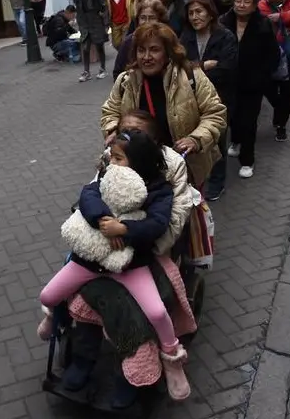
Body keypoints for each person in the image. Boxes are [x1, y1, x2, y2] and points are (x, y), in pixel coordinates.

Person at [38, 129, 190, 401]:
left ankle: (172, 358)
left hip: (131, 265)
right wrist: (104, 221)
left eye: (119, 159)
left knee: (156, 312)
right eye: (113, 158)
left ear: (138, 161)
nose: (112, 163)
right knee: (48, 295)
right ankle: (55, 319)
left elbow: (157, 224)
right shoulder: (108, 175)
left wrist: (125, 229)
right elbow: (87, 195)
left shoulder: (159, 189)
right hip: (92, 261)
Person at [101, 22, 227, 188]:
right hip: (137, 168)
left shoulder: (192, 77)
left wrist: (195, 139)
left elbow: (215, 114)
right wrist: (112, 130)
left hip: (184, 167)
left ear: (168, 52)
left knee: (183, 210)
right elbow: (110, 111)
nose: (146, 57)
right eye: (141, 50)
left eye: (154, 49)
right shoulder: (126, 80)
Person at [178, 0, 238, 201]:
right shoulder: (185, 37)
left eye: (199, 12)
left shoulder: (225, 36)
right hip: (190, 98)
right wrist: (204, 65)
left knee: (217, 139)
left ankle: (217, 181)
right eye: (191, 13)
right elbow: (180, 67)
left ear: (210, 14)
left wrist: (196, 69)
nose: (195, 17)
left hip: (219, 97)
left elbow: (227, 69)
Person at [222, 0, 282, 178]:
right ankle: (236, 140)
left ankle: (248, 160)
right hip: (229, 82)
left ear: (255, 5)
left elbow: (273, 55)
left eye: (247, 1)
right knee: (233, 118)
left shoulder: (262, 24)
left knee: (249, 121)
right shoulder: (224, 22)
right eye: (238, 0)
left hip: (253, 84)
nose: (241, 5)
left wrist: (262, 75)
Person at [113, 0, 169, 79]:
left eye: (152, 18)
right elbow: (118, 73)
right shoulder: (129, 41)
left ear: (160, 20)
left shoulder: (167, 39)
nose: (147, 22)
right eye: (143, 18)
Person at [75, 0, 110, 82]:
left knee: (99, 46)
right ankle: (86, 71)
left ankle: (103, 68)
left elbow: (104, 8)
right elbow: (79, 10)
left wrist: (105, 23)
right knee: (85, 48)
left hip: (96, 22)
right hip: (85, 23)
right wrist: (80, 24)